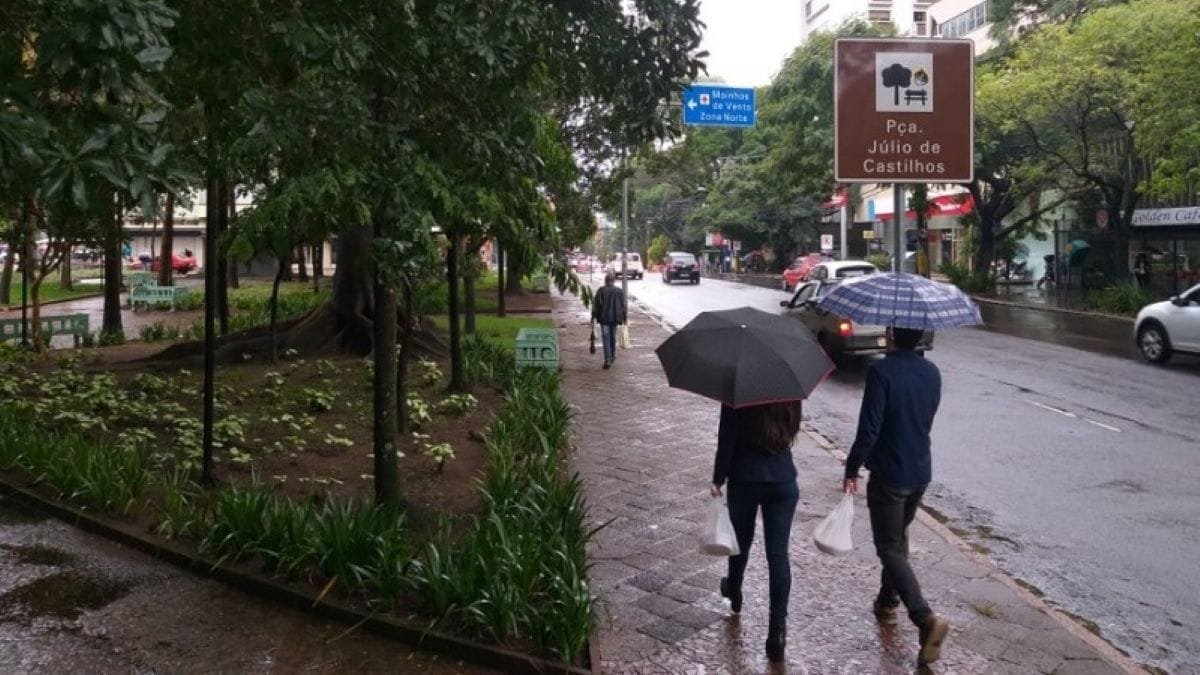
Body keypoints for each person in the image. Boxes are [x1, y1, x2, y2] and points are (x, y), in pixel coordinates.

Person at [843, 326, 950, 667]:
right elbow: (925, 419)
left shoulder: (881, 371)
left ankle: (924, 618)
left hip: (890, 473)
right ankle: (887, 600)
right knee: (898, 540)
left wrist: (852, 467)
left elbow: (870, 427)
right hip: (920, 471)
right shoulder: (931, 372)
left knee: (888, 546)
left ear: (890, 335)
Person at [711, 401, 803, 663]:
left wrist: (718, 478)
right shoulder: (789, 388)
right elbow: (791, 430)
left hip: (745, 476)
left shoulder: (737, 389)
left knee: (740, 541)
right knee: (778, 555)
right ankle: (777, 633)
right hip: (783, 479)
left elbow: (726, 438)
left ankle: (734, 589)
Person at [591, 272, 626, 369]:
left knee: (606, 338)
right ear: (613, 281)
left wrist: (593, 316)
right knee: (612, 337)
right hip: (615, 318)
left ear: (605, 280)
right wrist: (625, 318)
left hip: (604, 318)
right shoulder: (619, 291)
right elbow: (623, 306)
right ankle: (612, 356)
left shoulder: (601, 291)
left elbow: (596, 305)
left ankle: (607, 359)